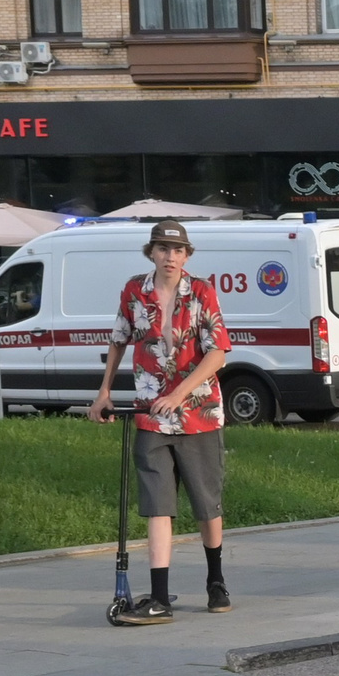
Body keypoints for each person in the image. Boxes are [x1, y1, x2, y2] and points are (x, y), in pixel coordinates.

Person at [91, 220, 233, 623]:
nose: (170, 257)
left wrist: (178, 394)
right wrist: (104, 391)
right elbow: (119, 338)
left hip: (199, 412)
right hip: (151, 413)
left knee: (207, 505)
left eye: (177, 250)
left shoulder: (202, 292)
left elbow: (217, 353)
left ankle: (216, 580)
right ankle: (159, 598)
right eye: (163, 249)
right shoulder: (135, 290)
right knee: (157, 505)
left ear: (186, 255)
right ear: (150, 252)